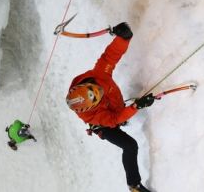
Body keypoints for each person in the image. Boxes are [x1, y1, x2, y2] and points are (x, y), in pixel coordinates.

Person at [62, 22, 154, 192]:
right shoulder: (91, 116)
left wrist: (123, 38)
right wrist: (136, 106)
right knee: (130, 145)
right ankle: (134, 185)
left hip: (116, 108)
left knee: (121, 116)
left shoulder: (99, 75)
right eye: (97, 97)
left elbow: (110, 56)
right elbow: (113, 119)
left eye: (96, 89)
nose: (100, 90)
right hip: (105, 126)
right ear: (91, 106)